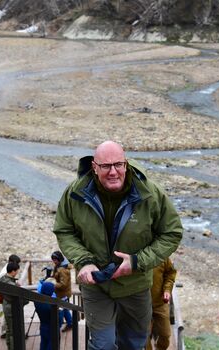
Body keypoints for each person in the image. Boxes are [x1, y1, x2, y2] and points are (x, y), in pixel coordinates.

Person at [53, 140, 183, 350]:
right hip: (96, 286)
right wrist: (84, 261)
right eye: (106, 166)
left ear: (126, 164)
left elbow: (172, 232)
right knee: (102, 346)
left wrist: (137, 261)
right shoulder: (75, 194)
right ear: (94, 167)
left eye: (118, 165)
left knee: (133, 344)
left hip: (136, 285)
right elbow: (64, 230)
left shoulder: (149, 194)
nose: (113, 172)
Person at [147, 257, 177, 350]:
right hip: (142, 305)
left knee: (165, 334)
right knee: (144, 335)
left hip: (160, 303)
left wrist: (167, 290)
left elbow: (170, 274)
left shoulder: (162, 256)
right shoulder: (137, 253)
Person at [0, 254, 21, 338]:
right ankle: (4, 331)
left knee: (6, 316)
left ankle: (6, 331)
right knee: (8, 319)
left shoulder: (6, 270)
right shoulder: (5, 273)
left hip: (6, 299)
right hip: (8, 299)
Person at [51, 250, 73, 332]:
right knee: (65, 308)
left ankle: (60, 325)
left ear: (59, 259)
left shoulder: (63, 270)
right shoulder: (59, 266)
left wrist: (53, 283)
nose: (54, 261)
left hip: (63, 293)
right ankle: (70, 323)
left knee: (61, 309)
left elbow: (63, 285)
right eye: (53, 259)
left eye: (55, 259)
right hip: (62, 293)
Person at [34, 281, 60, 350]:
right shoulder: (51, 305)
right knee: (51, 344)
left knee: (43, 342)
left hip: (43, 325)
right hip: (51, 327)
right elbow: (59, 319)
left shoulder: (37, 301)